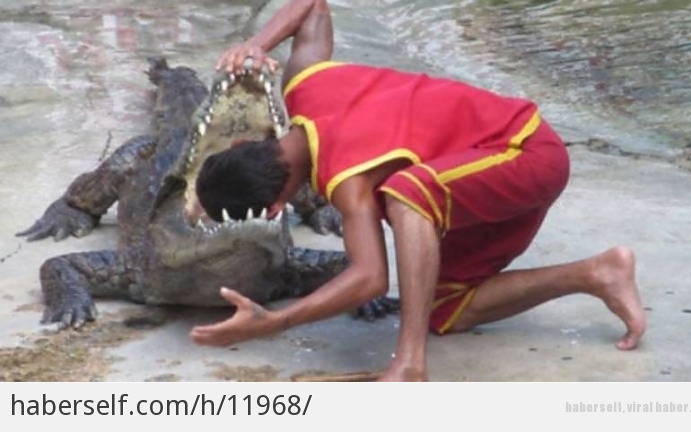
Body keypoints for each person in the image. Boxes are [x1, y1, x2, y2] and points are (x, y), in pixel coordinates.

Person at [189, 0, 646, 381]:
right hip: (475, 179)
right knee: (444, 307)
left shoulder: (348, 185)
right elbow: (313, 6)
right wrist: (256, 45)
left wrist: (277, 322)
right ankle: (596, 273)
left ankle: (410, 363)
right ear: (246, 144)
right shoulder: (303, 82)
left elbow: (370, 279)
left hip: (527, 152)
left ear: (275, 207)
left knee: (404, 194)